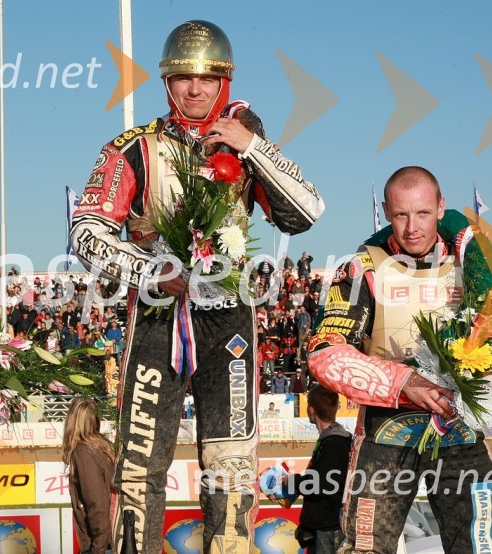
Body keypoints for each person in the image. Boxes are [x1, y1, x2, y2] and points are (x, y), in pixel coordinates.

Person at [70, 19, 324, 552]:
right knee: (139, 466)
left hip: (229, 318)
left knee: (230, 468)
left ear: (224, 83)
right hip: (157, 317)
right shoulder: (133, 147)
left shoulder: (244, 144)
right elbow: (85, 231)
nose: (195, 89)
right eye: (183, 78)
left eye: (207, 79)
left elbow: (307, 212)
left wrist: (252, 146)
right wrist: (149, 271)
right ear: (166, 83)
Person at [309, 166, 492, 553]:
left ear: (441, 207)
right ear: (385, 211)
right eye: (400, 215)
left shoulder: (477, 259)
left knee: (478, 545)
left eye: (423, 214)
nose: (412, 227)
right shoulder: (362, 264)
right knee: (365, 545)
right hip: (386, 425)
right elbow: (324, 352)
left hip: (458, 424)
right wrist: (405, 383)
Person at [286, 385, 351, 553]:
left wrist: (291, 481)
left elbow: (321, 486)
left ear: (311, 410)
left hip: (329, 530)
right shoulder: (333, 439)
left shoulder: (335, 442)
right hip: (324, 527)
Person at [62, 398, 114, 554]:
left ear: (72, 421)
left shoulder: (83, 452)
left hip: (100, 544)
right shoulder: (102, 446)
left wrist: (98, 548)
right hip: (108, 540)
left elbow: (97, 503)